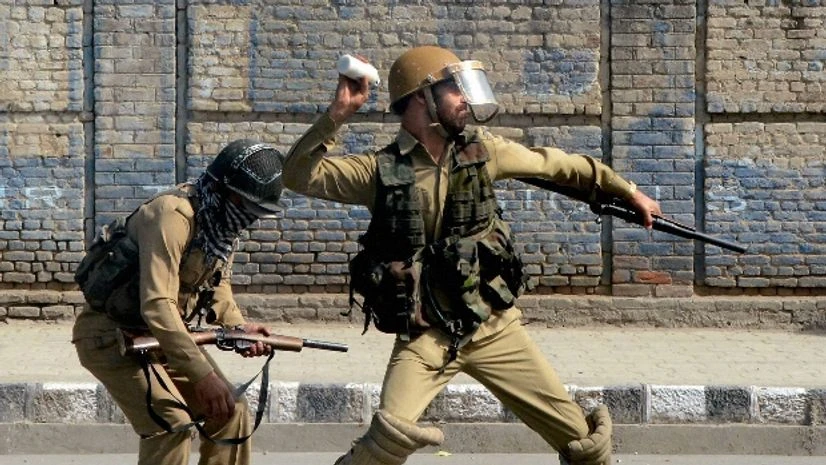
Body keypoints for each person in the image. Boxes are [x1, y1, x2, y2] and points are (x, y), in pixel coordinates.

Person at [283, 46, 663, 465]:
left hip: (493, 326)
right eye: (454, 90)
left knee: (585, 445)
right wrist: (337, 114)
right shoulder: (378, 171)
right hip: (425, 336)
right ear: (420, 100)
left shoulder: (484, 150)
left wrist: (628, 192)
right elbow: (298, 174)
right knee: (382, 446)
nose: (465, 99)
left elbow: (560, 165)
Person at [72, 139, 284, 465]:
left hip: (163, 338)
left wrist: (238, 326)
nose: (249, 219)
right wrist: (202, 376)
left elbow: (217, 283)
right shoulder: (172, 216)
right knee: (172, 425)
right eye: (246, 206)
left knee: (231, 412)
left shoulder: (220, 224)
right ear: (224, 190)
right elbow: (157, 304)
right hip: (110, 337)